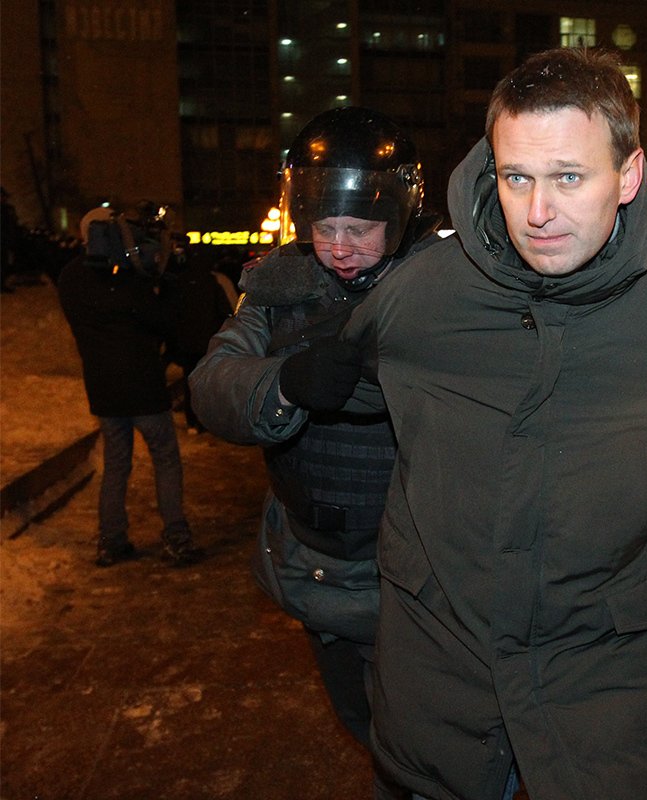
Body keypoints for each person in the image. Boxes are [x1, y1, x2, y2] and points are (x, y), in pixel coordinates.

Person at [338, 48, 647, 799]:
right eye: (517, 178)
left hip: (603, 726)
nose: (537, 211)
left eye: (569, 177)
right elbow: (331, 389)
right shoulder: (423, 295)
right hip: (439, 708)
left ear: (629, 176)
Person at [189, 107, 437, 747]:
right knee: (362, 726)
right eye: (325, 226)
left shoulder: (437, 288)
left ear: (400, 217)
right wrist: (284, 384)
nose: (340, 246)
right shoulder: (280, 288)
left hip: (418, 573)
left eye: (361, 227)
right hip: (316, 564)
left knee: (426, 740)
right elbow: (211, 384)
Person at [57, 206, 204, 568]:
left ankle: (111, 540)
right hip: (144, 385)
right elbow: (163, 320)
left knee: (116, 464)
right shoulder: (131, 276)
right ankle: (176, 536)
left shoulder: (71, 276)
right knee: (165, 459)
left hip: (103, 389)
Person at [162, 234, 233, 434]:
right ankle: (205, 420)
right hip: (208, 343)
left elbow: (173, 311)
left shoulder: (181, 281)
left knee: (189, 381)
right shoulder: (212, 282)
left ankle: (192, 420)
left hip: (186, 343)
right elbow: (225, 311)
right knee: (207, 383)